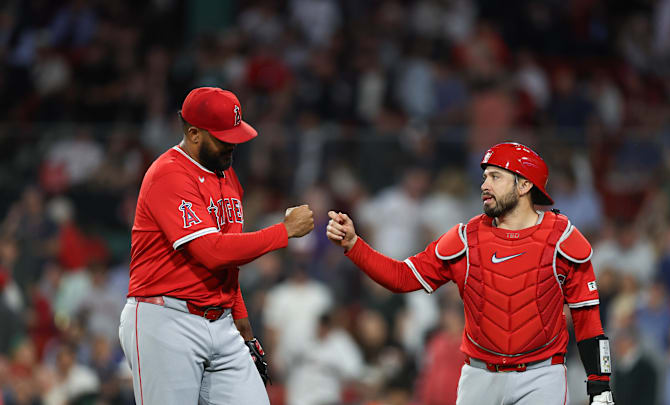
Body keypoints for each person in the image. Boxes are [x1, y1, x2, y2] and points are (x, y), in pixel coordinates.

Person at [326, 142, 614, 405]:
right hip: (479, 376)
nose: (484, 185)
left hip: (541, 377)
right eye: (484, 176)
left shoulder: (563, 240)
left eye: (495, 177)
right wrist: (354, 244)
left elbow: (588, 321)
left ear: (525, 185)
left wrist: (600, 387)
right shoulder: (464, 239)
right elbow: (401, 277)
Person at [119, 87, 314, 405]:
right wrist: (284, 232)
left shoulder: (226, 174)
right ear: (194, 134)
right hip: (165, 320)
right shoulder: (169, 175)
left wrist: (240, 314)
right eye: (224, 136)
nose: (233, 143)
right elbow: (212, 252)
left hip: (220, 320)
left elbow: (228, 256)